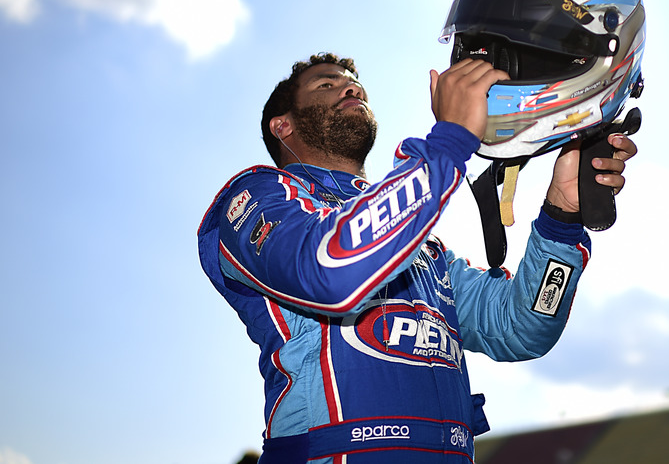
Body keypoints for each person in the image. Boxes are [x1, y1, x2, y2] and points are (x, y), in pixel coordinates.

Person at [197, 52, 637, 463]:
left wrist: (562, 216)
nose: (353, 90)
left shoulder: (422, 247)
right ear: (282, 126)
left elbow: (521, 327)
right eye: (327, 85)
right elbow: (328, 273)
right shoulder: (259, 197)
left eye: (355, 84)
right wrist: (449, 142)